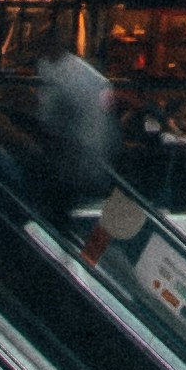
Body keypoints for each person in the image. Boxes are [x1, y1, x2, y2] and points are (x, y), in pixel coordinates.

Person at [25, 41, 119, 243]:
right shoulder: (85, 73)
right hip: (96, 160)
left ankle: (56, 243)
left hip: (75, 164)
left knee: (37, 186)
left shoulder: (56, 72)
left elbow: (46, 118)